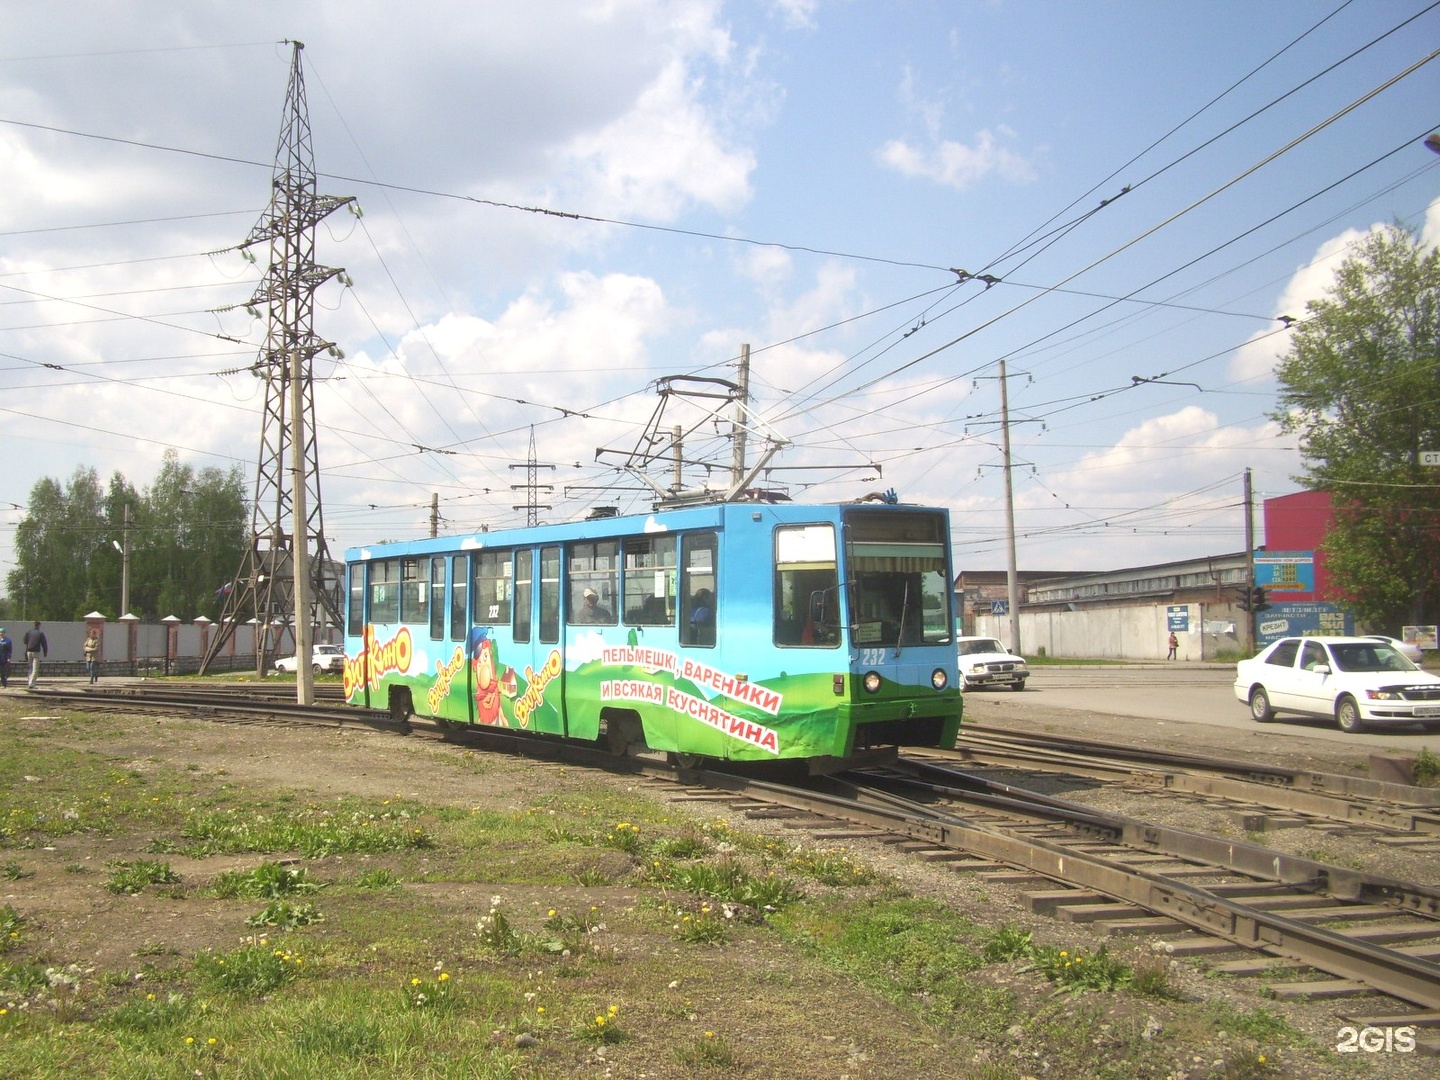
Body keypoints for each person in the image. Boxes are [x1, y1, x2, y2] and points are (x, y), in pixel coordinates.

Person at [23, 621, 48, 689]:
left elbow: (25, 641)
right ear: (39, 625)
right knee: (35, 669)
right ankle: (32, 684)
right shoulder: (40, 633)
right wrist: (45, 652)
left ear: (33, 625)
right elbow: (44, 644)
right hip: (36, 652)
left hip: (28, 652)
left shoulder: (29, 632)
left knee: (30, 668)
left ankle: (29, 682)